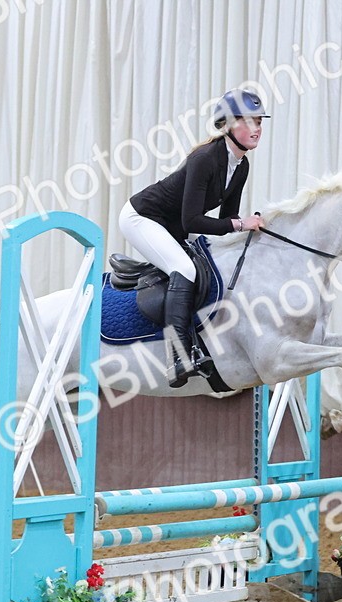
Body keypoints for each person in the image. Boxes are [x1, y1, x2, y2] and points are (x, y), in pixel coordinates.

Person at [119, 88, 269, 388]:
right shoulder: (205, 159)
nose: (256, 129)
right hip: (141, 217)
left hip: (172, 225)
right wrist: (241, 224)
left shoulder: (241, 167)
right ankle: (178, 358)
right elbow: (194, 220)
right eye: (247, 121)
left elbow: (226, 218)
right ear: (227, 125)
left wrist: (249, 230)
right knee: (185, 269)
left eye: (259, 121)